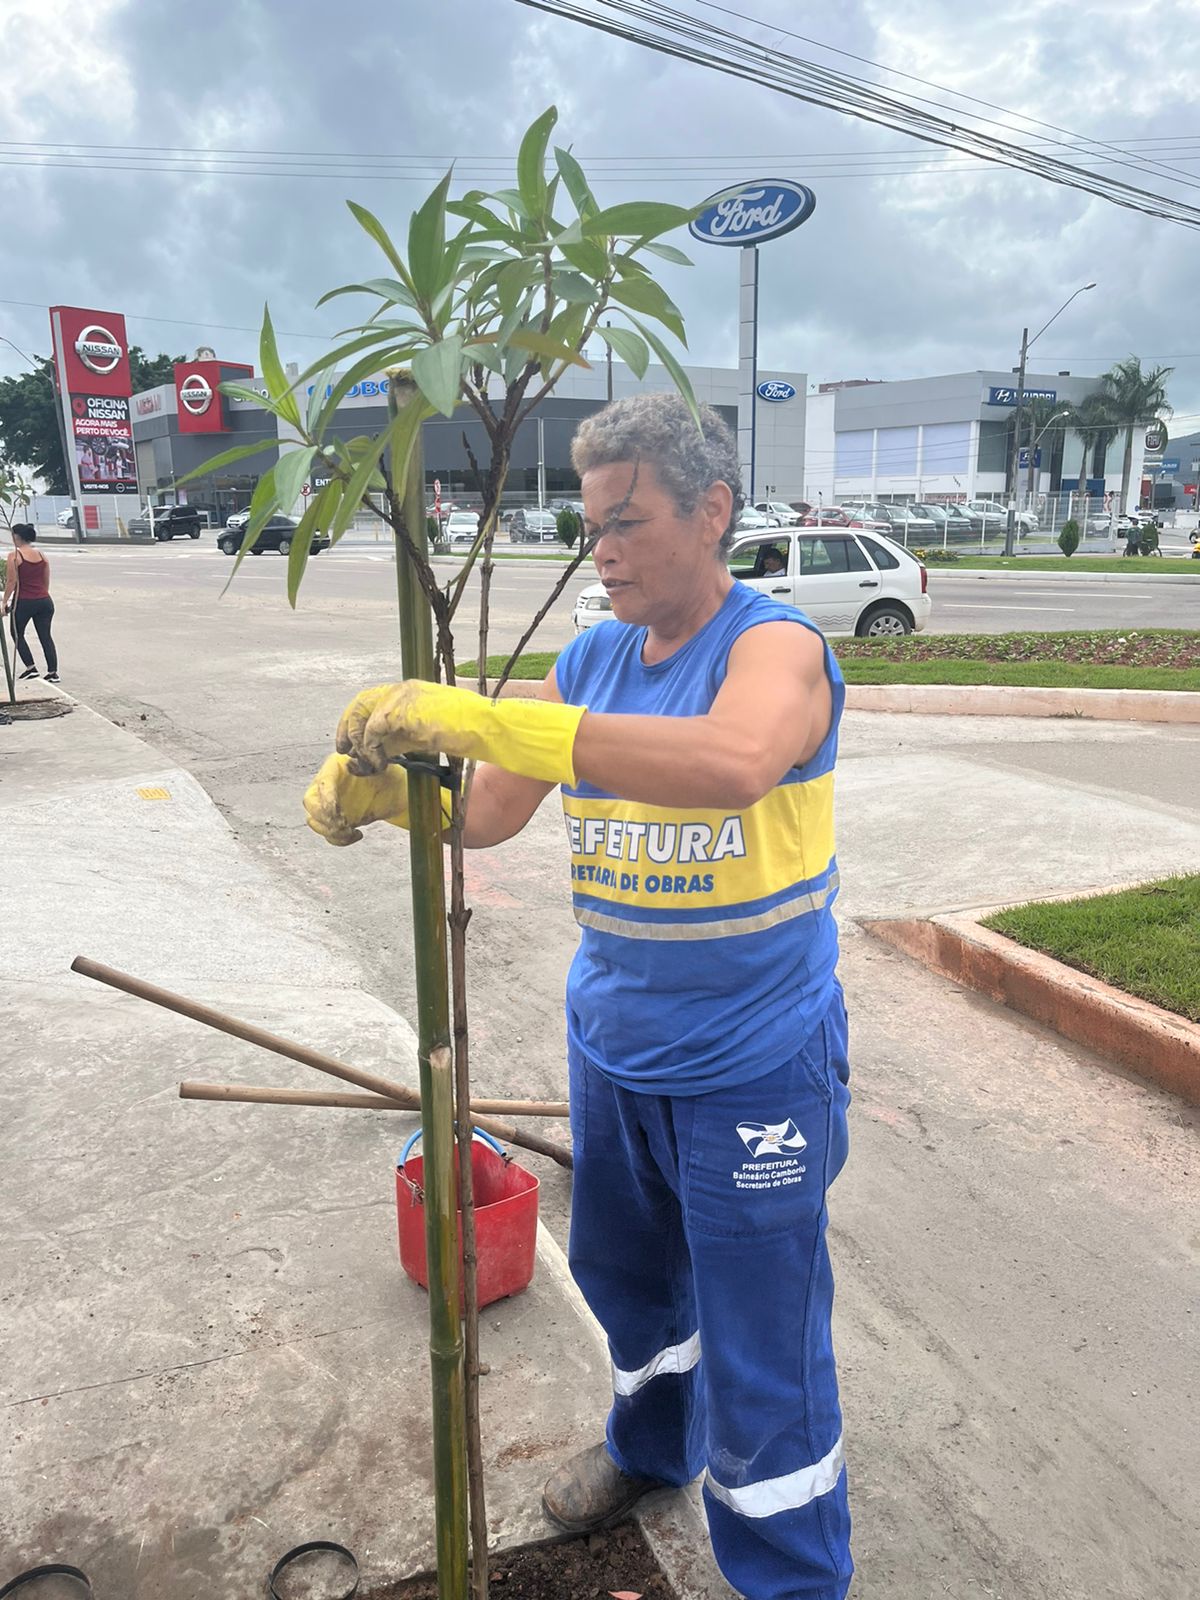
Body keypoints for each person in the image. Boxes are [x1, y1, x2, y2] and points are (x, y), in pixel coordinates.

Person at [303, 394, 853, 1600]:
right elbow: (490, 810)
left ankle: (792, 1579)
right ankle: (650, 1447)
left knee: (767, 1350)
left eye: (628, 520)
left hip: (754, 1063)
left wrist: (490, 716)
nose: (599, 549)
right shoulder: (595, 656)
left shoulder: (776, 649)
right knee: (631, 1283)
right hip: (615, 1048)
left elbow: (731, 763)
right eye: (589, 521)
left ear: (712, 513)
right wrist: (388, 797)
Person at [3, 524, 59, 682]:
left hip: (24, 601)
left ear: (17, 536)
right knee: (45, 636)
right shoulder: (42, 555)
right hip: (44, 601)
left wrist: (4, 603)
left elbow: (11, 582)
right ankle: (53, 672)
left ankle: (31, 667)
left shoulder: (15, 555)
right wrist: (42, 595)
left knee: (17, 633)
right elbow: (45, 580)